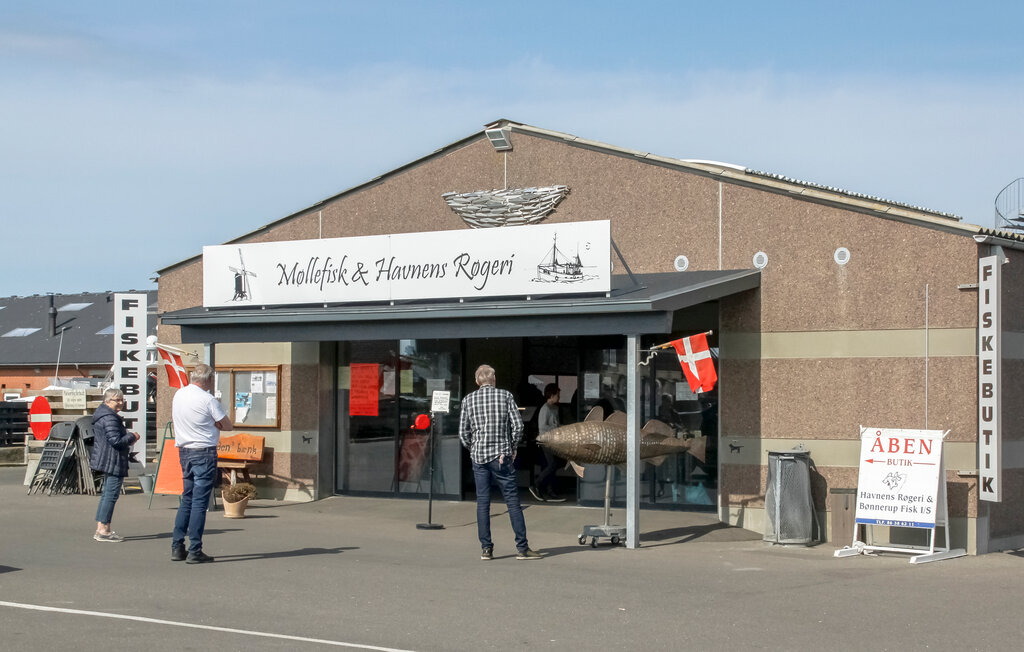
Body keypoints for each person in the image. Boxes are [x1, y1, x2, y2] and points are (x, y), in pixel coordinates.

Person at [459, 364, 541, 561]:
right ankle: (522, 548)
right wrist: (512, 447)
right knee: (512, 501)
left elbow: (463, 433)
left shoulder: (468, 400)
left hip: (479, 458)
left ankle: (486, 549)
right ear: (493, 379)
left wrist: (474, 448)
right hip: (502, 457)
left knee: (482, 503)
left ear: (477, 381)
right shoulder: (505, 396)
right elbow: (518, 425)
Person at [171, 363, 233, 563]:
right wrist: (215, 423)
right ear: (208, 379)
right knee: (199, 502)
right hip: (204, 451)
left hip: (184, 450)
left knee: (187, 498)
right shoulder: (208, 399)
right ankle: (195, 549)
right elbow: (228, 425)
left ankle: (177, 546)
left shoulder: (179, 395)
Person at [90, 387, 141, 542]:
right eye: (117, 400)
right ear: (107, 401)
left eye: (122, 399)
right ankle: (103, 530)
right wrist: (133, 436)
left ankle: (101, 527)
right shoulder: (110, 418)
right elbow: (116, 441)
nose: (120, 403)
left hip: (106, 458)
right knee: (110, 495)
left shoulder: (103, 415)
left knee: (107, 494)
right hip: (113, 459)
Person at [529, 383, 565, 502]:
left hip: (554, 440)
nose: (559, 397)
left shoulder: (555, 408)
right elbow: (542, 427)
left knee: (554, 464)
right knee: (553, 464)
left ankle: (549, 490)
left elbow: (556, 423)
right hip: (545, 441)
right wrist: (556, 428)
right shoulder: (545, 409)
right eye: (557, 395)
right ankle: (537, 484)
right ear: (552, 395)